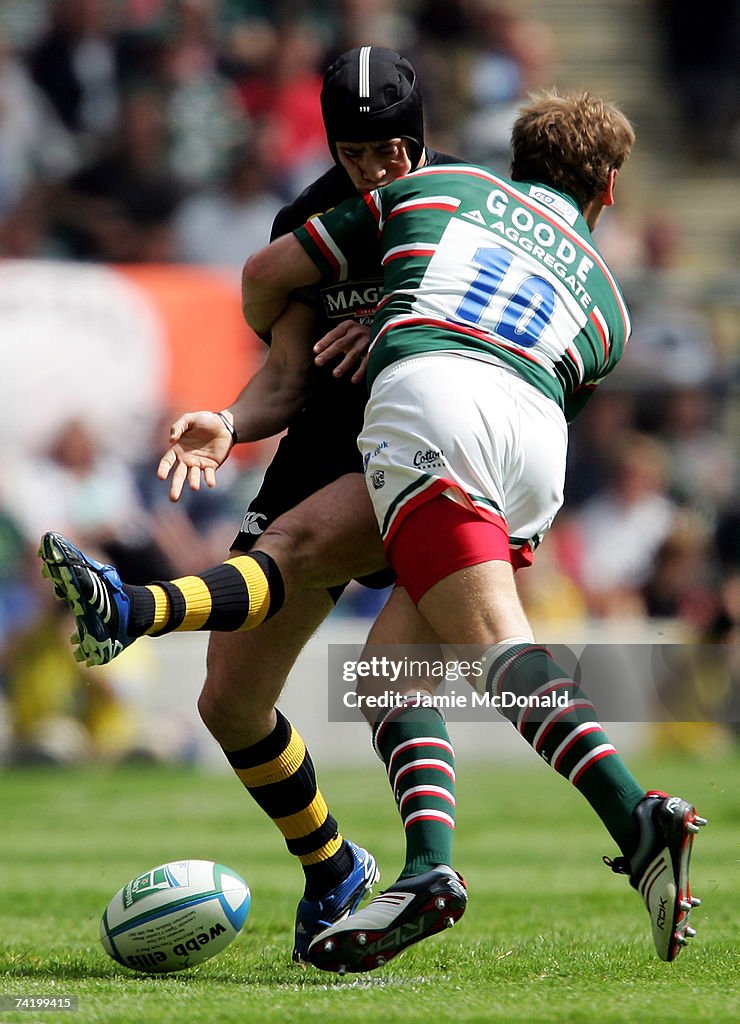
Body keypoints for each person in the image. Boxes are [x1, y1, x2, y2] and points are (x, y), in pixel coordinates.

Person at [41, 90, 707, 972]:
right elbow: (558, 375)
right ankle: (421, 870)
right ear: (611, 189)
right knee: (389, 675)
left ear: (509, 158)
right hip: (534, 448)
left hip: (430, 403)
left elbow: (269, 274)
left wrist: (372, 314)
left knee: (461, 629)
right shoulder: (613, 306)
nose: (369, 163)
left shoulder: (450, 191)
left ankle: (635, 813)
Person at [39, 46, 464, 964]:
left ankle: (134, 610)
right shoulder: (308, 221)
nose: (374, 170)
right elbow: (284, 374)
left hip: (429, 454)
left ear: (419, 139)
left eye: (390, 151)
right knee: (230, 702)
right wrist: (230, 424)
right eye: (355, 153)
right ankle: (333, 867)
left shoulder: (463, 206)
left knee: (332, 598)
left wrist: (393, 324)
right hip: (321, 452)